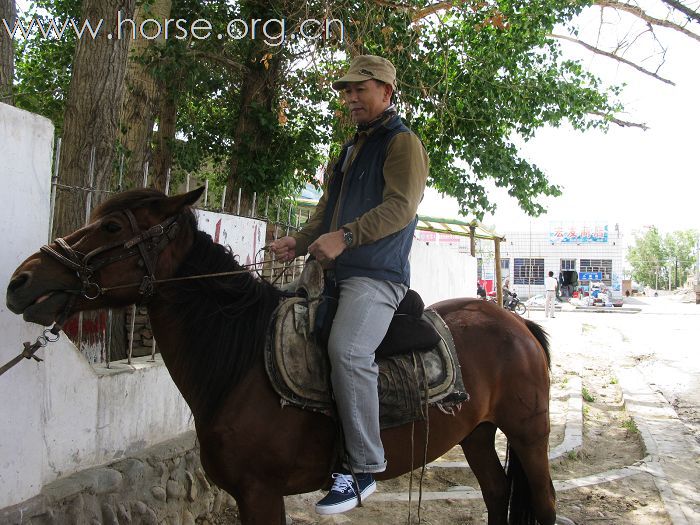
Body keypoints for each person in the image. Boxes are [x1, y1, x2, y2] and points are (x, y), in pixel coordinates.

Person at [269, 55, 429, 515]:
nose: (351, 97)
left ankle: (363, 468)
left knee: (348, 352)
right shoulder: (348, 149)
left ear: (387, 92)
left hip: (376, 276)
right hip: (331, 271)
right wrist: (298, 242)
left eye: (361, 88)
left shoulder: (403, 144)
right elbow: (325, 211)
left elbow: (401, 208)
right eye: (346, 90)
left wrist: (347, 238)